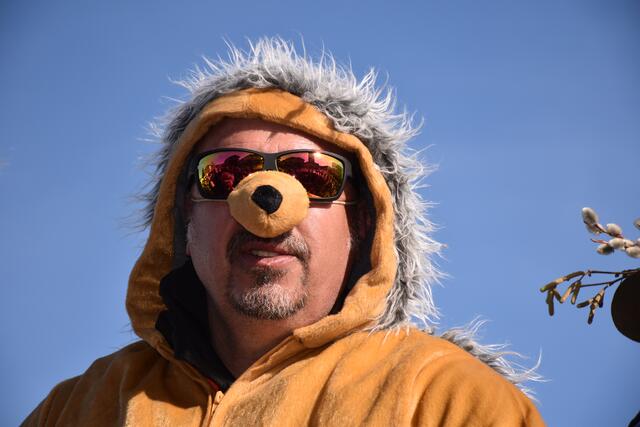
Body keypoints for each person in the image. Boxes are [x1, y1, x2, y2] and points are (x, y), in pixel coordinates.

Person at [23, 38, 544, 426]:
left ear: (362, 219)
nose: (266, 202)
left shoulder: (446, 400)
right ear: (183, 214)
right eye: (226, 173)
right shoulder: (79, 409)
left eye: (313, 176)